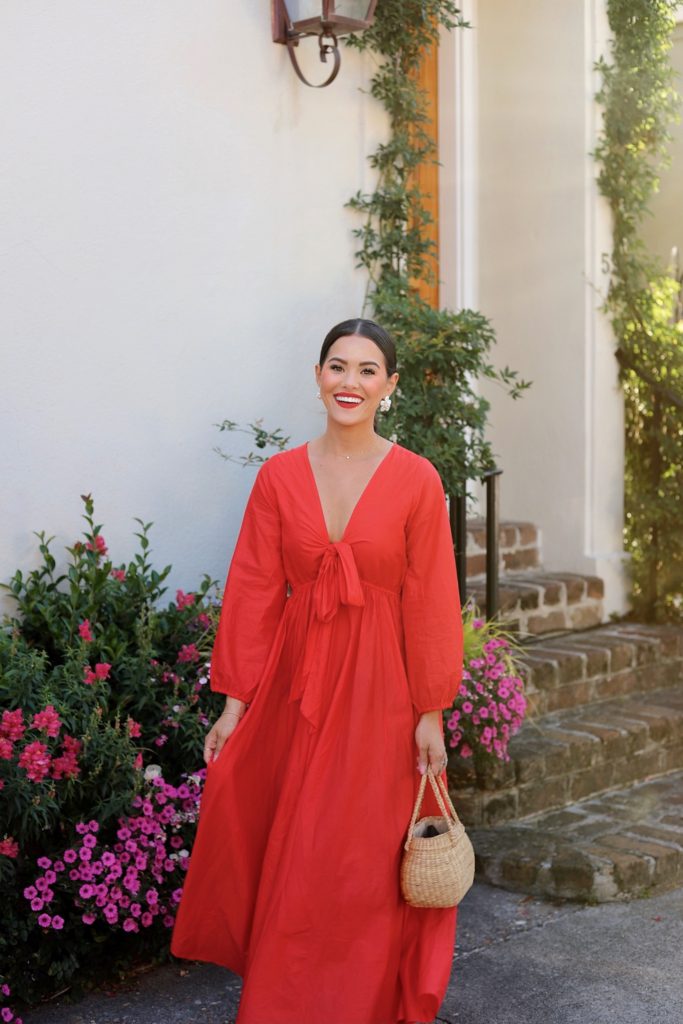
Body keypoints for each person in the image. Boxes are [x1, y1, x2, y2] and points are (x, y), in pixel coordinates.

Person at [170, 318, 464, 1024]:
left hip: (383, 698)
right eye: (338, 367)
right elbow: (253, 590)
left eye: (368, 370)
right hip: (297, 688)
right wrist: (234, 706)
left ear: (389, 387)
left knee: (361, 861)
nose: (350, 382)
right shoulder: (277, 477)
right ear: (317, 376)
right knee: (298, 852)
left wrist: (430, 713)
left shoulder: (418, 480)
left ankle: (361, 1005)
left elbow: (430, 603)